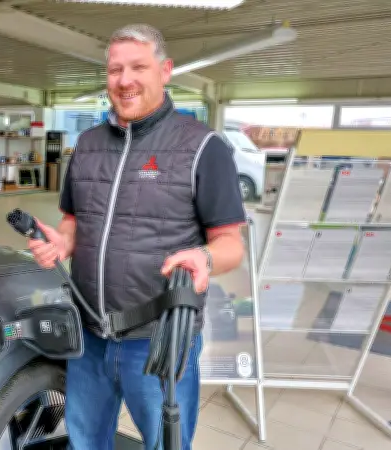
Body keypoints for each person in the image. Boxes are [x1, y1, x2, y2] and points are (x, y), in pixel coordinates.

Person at [27, 24, 246, 450]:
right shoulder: (87, 145)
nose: (124, 80)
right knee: (85, 441)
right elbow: (73, 221)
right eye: (115, 70)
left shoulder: (203, 147)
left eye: (138, 67)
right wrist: (62, 242)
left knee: (165, 444)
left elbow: (230, 243)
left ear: (165, 70)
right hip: (90, 337)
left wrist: (204, 258)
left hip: (158, 342)